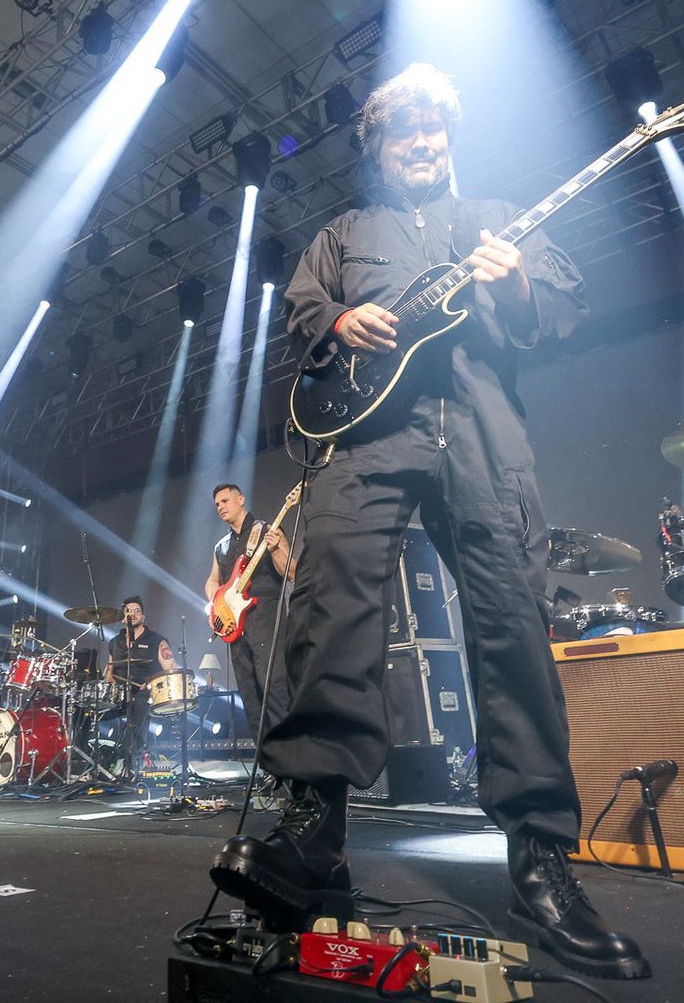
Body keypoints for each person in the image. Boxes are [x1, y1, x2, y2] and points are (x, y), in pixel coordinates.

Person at [209, 64, 649, 980]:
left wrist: (520, 275)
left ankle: (539, 862)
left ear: (449, 138)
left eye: (433, 130)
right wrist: (340, 315)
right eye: (403, 131)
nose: (421, 144)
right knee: (330, 612)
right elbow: (300, 314)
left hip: (483, 437)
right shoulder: (343, 234)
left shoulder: (498, 217)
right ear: (377, 146)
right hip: (368, 441)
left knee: (513, 633)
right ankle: (314, 845)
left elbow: (563, 312)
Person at [201, 483, 294, 740]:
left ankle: (292, 759)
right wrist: (217, 600)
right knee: (250, 696)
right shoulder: (221, 546)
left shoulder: (266, 530)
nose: (220, 506)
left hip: (265, 617)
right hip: (235, 627)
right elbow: (212, 580)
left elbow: (292, 571)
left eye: (225, 500)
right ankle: (268, 763)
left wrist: (276, 549)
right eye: (217, 504)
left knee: (273, 688)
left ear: (241, 499)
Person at [104, 596, 177, 776]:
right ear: (123, 617)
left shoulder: (157, 640)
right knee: (83, 709)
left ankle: (131, 761)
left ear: (143, 616)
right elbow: (109, 672)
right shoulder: (115, 642)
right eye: (129, 610)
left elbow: (171, 669)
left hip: (145, 692)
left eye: (137, 611)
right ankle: (92, 762)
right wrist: (110, 686)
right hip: (119, 693)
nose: (133, 614)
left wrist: (152, 682)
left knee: (139, 703)